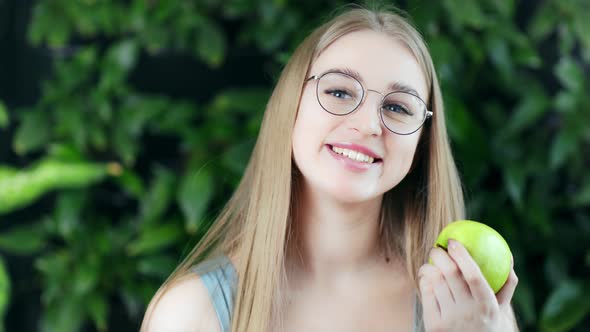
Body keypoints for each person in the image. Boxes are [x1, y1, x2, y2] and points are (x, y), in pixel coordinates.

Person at [140, 5, 519, 332]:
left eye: (398, 107)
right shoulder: (190, 313)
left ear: (422, 143)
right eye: (339, 92)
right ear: (291, 106)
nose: (369, 124)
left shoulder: (468, 306)